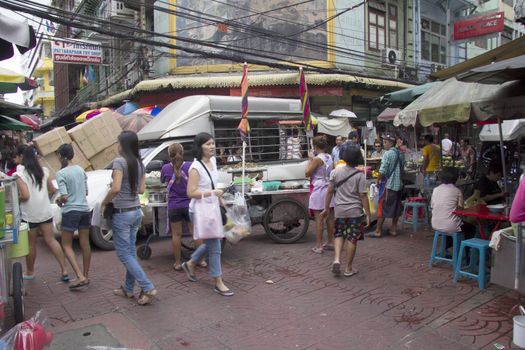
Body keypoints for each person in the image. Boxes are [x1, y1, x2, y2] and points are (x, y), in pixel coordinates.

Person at [102, 131, 157, 305]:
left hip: (123, 213)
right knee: (130, 252)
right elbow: (141, 190)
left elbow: (116, 188)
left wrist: (105, 202)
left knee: (124, 254)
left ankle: (147, 286)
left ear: (123, 145)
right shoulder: (139, 163)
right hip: (135, 212)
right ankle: (127, 288)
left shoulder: (119, 162)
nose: (117, 146)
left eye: (118, 143)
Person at [182, 132, 233, 297]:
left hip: (212, 209)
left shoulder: (213, 162)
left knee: (214, 241)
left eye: (212, 143)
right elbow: (190, 192)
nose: (212, 146)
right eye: (207, 144)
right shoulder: (195, 167)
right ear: (200, 147)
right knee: (215, 247)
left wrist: (220, 201)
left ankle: (190, 263)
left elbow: (212, 184)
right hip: (200, 211)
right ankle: (218, 282)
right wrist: (212, 193)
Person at [15, 145, 69, 281]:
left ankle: (30, 272)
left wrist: (17, 198)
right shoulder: (43, 171)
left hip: (30, 214)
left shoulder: (20, 175)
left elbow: (25, 195)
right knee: (51, 240)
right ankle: (64, 270)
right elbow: (52, 189)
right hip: (45, 212)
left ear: (22, 157)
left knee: (31, 245)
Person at [321, 145, 370, 277]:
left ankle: (336, 259)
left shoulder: (335, 172)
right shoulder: (360, 176)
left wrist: (326, 208)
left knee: (339, 235)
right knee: (352, 238)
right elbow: (363, 196)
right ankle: (348, 268)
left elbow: (330, 191)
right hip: (355, 212)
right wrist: (368, 214)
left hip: (340, 210)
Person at [160, 143, 206, 271]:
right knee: (195, 233)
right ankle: (201, 260)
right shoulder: (190, 166)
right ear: (183, 152)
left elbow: (162, 181)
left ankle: (177, 263)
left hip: (174, 206)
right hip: (190, 205)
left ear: (169, 155)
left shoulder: (165, 168)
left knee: (176, 235)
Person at [55, 144, 92, 290]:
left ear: (62, 157)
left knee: (66, 244)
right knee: (85, 244)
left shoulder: (61, 173)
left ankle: (79, 276)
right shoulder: (81, 170)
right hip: (84, 209)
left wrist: (59, 201)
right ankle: (86, 275)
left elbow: (64, 196)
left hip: (71, 211)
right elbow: (86, 191)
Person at [367, 134, 404, 237]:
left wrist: (378, 181)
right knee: (396, 207)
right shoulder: (400, 153)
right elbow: (403, 167)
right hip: (399, 185)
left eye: (385, 142)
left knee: (382, 206)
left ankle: (378, 231)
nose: (384, 144)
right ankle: (393, 229)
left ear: (391, 143)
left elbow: (382, 170)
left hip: (389, 185)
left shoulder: (387, 154)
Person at [431, 167, 475, 246]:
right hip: (451, 226)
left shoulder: (435, 189)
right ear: (456, 178)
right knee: (471, 228)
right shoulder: (457, 191)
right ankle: (464, 254)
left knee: (451, 221)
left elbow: (433, 206)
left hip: (435, 224)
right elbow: (460, 210)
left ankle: (447, 247)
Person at [305, 135, 335, 253]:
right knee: (330, 218)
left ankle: (318, 245)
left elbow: (307, 173)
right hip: (328, 187)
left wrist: (309, 159)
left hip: (319, 189)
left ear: (316, 146)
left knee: (319, 219)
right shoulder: (330, 157)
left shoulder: (317, 159)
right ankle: (331, 241)